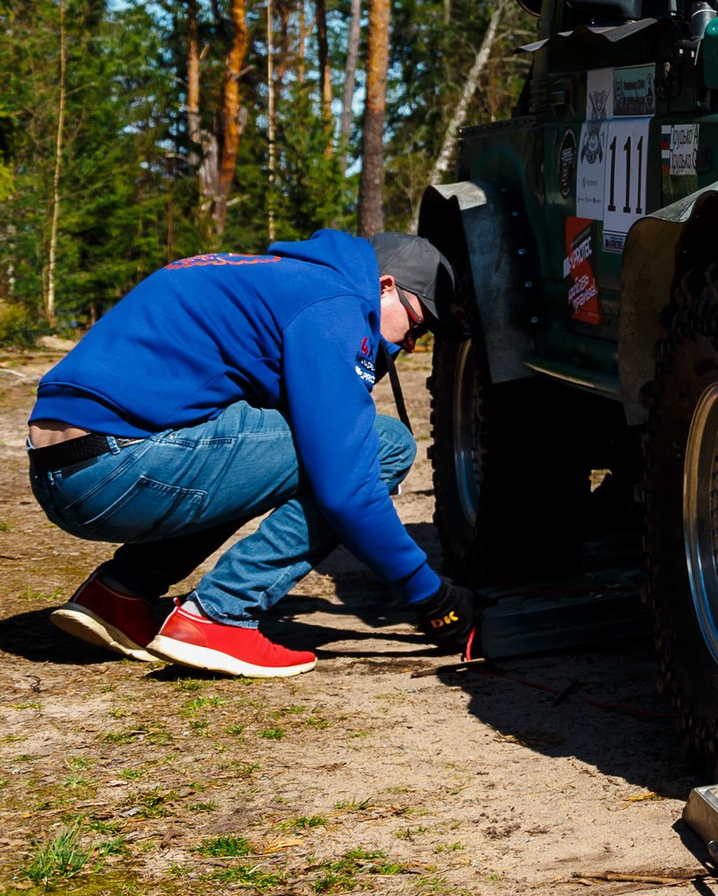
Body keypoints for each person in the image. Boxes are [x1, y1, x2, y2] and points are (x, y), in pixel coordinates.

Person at [29, 230, 480, 677]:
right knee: (384, 447)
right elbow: (348, 487)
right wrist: (432, 599)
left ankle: (122, 594)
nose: (411, 344)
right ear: (384, 286)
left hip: (65, 467)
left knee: (282, 444)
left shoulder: (277, 281)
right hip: (116, 468)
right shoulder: (334, 303)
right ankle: (219, 615)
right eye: (417, 324)